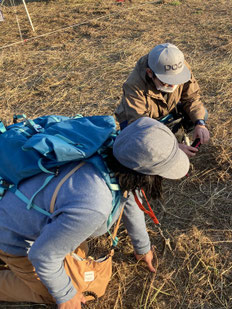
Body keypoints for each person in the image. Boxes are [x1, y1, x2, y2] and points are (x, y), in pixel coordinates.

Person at [0, 117, 189, 308]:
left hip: (21, 210)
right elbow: (43, 256)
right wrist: (65, 295)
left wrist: (142, 247)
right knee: (57, 292)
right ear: (146, 176)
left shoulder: (109, 148)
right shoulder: (94, 204)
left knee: (77, 258)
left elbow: (128, 197)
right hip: (12, 238)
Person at [115, 43, 210, 158]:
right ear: (150, 73)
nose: (173, 85)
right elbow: (140, 126)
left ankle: (176, 133)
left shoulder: (179, 67)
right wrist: (172, 147)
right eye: (166, 81)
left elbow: (192, 98)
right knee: (140, 149)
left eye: (176, 80)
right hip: (138, 120)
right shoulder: (134, 85)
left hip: (167, 109)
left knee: (201, 114)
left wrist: (200, 124)